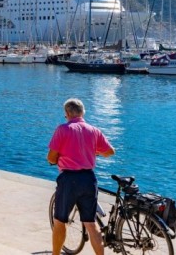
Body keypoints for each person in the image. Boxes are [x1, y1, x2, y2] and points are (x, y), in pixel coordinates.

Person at [47, 98, 115, 255]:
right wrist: (93, 152)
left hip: (69, 180)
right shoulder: (93, 130)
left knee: (60, 221)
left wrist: (56, 159)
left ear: (67, 113)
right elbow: (110, 151)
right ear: (82, 112)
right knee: (91, 223)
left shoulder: (63, 129)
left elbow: (51, 157)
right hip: (89, 179)